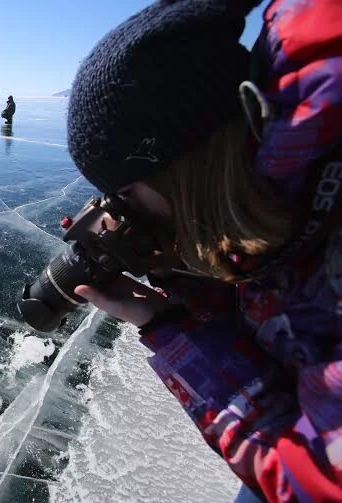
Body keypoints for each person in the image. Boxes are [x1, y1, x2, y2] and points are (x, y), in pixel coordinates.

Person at [65, 0, 342, 501]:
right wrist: (179, 274)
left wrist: (165, 331)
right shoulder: (295, 193)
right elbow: (280, 303)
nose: (122, 213)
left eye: (126, 194)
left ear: (184, 168)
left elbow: (310, 483)